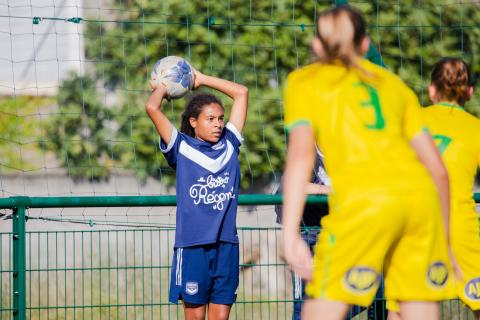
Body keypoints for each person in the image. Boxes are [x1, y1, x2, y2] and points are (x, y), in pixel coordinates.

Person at [281, 6, 455, 320]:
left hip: (364, 202)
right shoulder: (394, 86)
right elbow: (439, 171)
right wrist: (443, 237)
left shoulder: (305, 81)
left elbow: (300, 157)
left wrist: (290, 234)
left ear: (318, 47)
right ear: (364, 45)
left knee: (319, 311)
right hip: (420, 204)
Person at [146, 66, 248, 320]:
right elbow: (152, 109)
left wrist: (200, 79)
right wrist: (162, 87)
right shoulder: (180, 146)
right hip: (193, 247)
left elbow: (242, 93)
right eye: (210, 119)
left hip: (226, 245)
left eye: (220, 118)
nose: (218, 124)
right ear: (193, 122)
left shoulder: (230, 144)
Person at [275, 148, 386, 320]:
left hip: (336, 237)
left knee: (376, 287)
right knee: (302, 302)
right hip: (305, 237)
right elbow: (292, 183)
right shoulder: (307, 152)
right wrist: (327, 190)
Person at [423, 58, 479, 319]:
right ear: (469, 92)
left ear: (431, 90)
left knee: (402, 311)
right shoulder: (475, 128)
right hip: (460, 231)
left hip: (416, 230)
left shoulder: (412, 120)